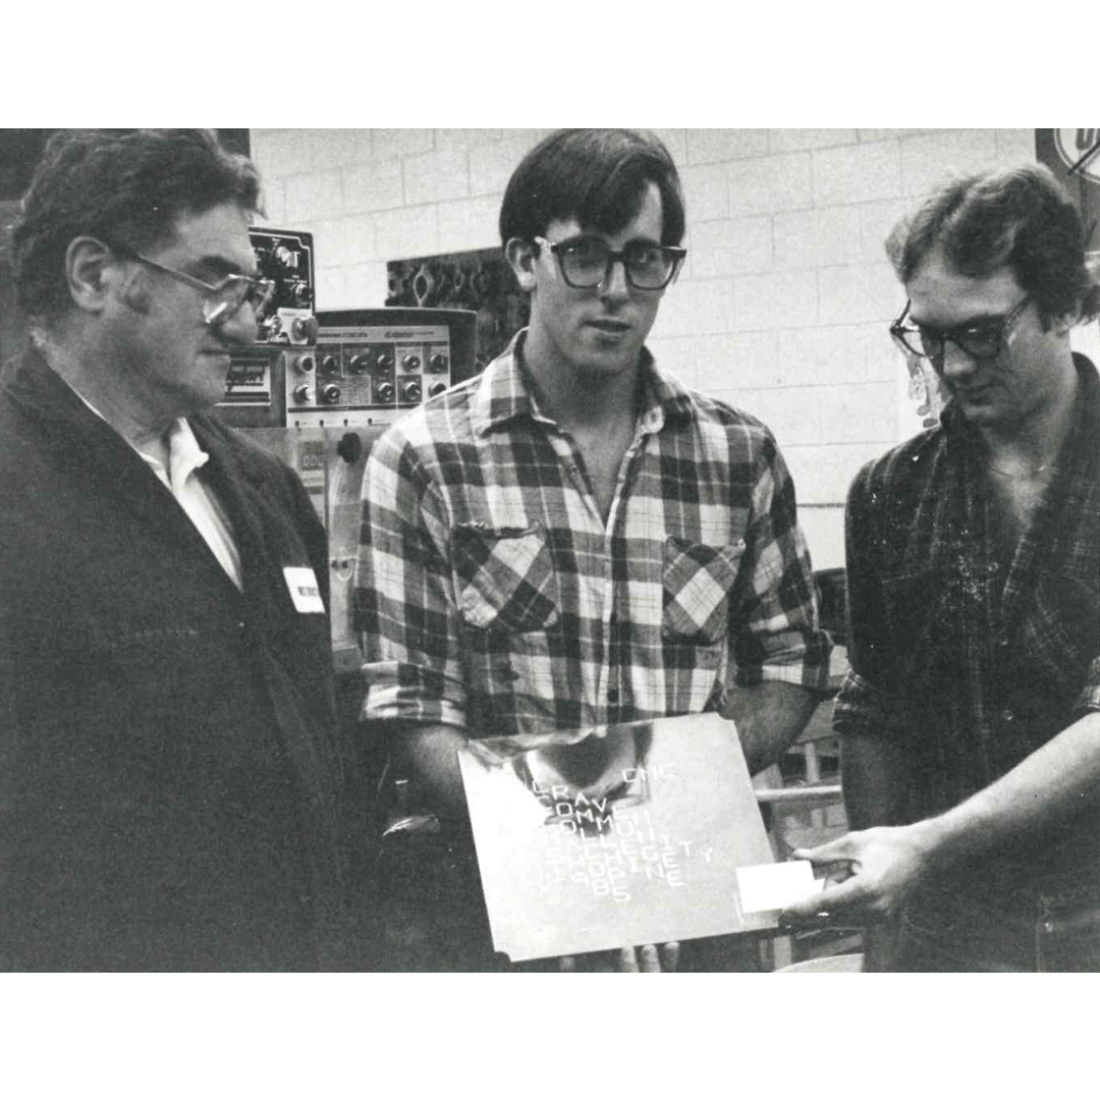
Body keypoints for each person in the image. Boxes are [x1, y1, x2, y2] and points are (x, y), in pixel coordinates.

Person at [355, 128, 832, 971]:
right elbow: (416, 711)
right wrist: (580, 839)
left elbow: (792, 663)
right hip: (510, 929)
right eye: (583, 256)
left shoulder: (735, 455)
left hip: (698, 922)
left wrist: (668, 807)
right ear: (523, 259)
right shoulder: (425, 459)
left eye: (644, 260)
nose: (614, 290)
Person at [0, 129, 355, 971]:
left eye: (248, 288)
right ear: (93, 275)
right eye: (212, 280)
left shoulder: (263, 491)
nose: (248, 323)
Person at [783, 163, 1100, 972]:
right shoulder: (891, 492)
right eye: (928, 334)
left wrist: (924, 847)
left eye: (982, 334)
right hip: (948, 940)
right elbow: (876, 708)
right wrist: (879, 937)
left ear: (1064, 304)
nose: (953, 366)